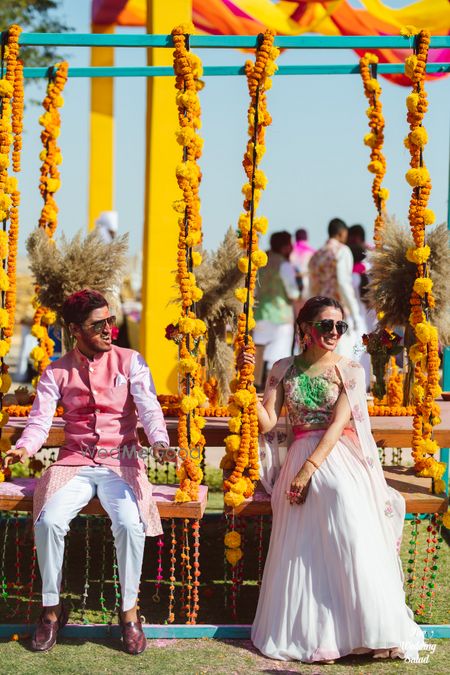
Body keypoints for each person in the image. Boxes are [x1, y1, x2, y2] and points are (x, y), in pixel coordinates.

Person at [244, 296, 425, 663]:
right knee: (314, 518)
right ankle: (319, 634)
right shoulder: (282, 368)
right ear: (304, 329)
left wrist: (309, 470)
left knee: (338, 495)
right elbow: (267, 421)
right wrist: (247, 387)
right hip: (297, 452)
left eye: (340, 326)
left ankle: (374, 630)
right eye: (325, 325)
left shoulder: (351, 370)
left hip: (335, 455)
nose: (334, 332)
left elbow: (339, 424)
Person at [3, 289, 173, 655]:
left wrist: (159, 441)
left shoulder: (131, 361)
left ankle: (129, 613)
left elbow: (150, 409)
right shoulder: (56, 371)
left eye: (110, 321)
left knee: (130, 523)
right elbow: (38, 423)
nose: (109, 329)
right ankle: (51, 610)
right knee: (49, 522)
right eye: (98, 325)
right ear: (75, 329)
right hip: (74, 464)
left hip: (121, 464)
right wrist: (23, 449)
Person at [308, 218, 364, 358]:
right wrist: (354, 312)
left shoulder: (316, 255)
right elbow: (344, 283)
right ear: (342, 233)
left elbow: (311, 286)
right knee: (340, 355)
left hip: (318, 312)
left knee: (320, 355)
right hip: (337, 311)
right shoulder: (342, 251)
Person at [253, 231, 301, 389]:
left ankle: (256, 389)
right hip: (280, 318)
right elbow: (293, 292)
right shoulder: (284, 265)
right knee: (277, 359)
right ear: (285, 246)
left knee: (257, 358)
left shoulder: (261, 263)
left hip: (260, 315)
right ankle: (272, 393)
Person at [289, 228, 316, 297]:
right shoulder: (313, 252)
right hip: (308, 283)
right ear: (307, 237)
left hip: (293, 284)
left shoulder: (291, 251)